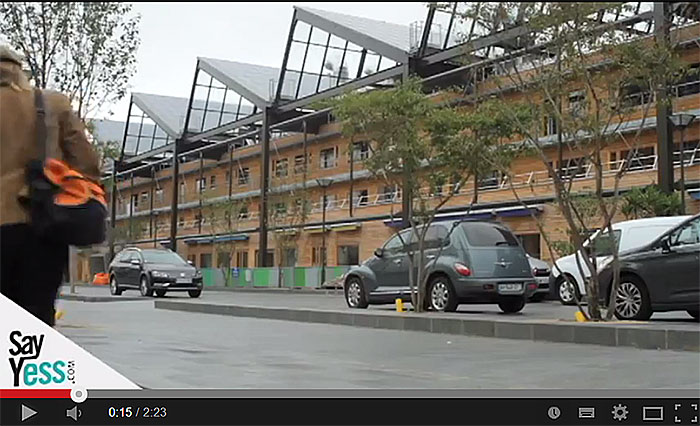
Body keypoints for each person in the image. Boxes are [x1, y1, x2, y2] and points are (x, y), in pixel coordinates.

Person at [0, 44, 101, 326]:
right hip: (40, 225)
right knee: (34, 323)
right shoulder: (52, 104)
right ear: (19, 70)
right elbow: (88, 163)